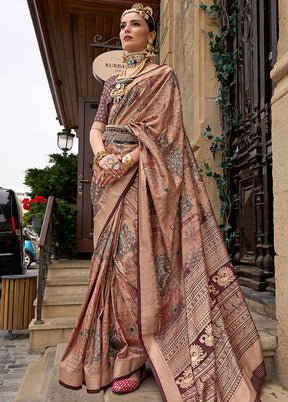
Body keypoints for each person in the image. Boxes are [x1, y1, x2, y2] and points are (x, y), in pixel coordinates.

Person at [59, 3, 265, 400]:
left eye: (134, 24)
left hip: (142, 180)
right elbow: (97, 126)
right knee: (110, 269)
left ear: (152, 35)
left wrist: (126, 159)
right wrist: (103, 155)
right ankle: (120, 349)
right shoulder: (113, 83)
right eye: (121, 25)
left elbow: (168, 132)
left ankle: (134, 357)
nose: (125, 30)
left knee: (131, 265)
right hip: (109, 182)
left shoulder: (162, 76)